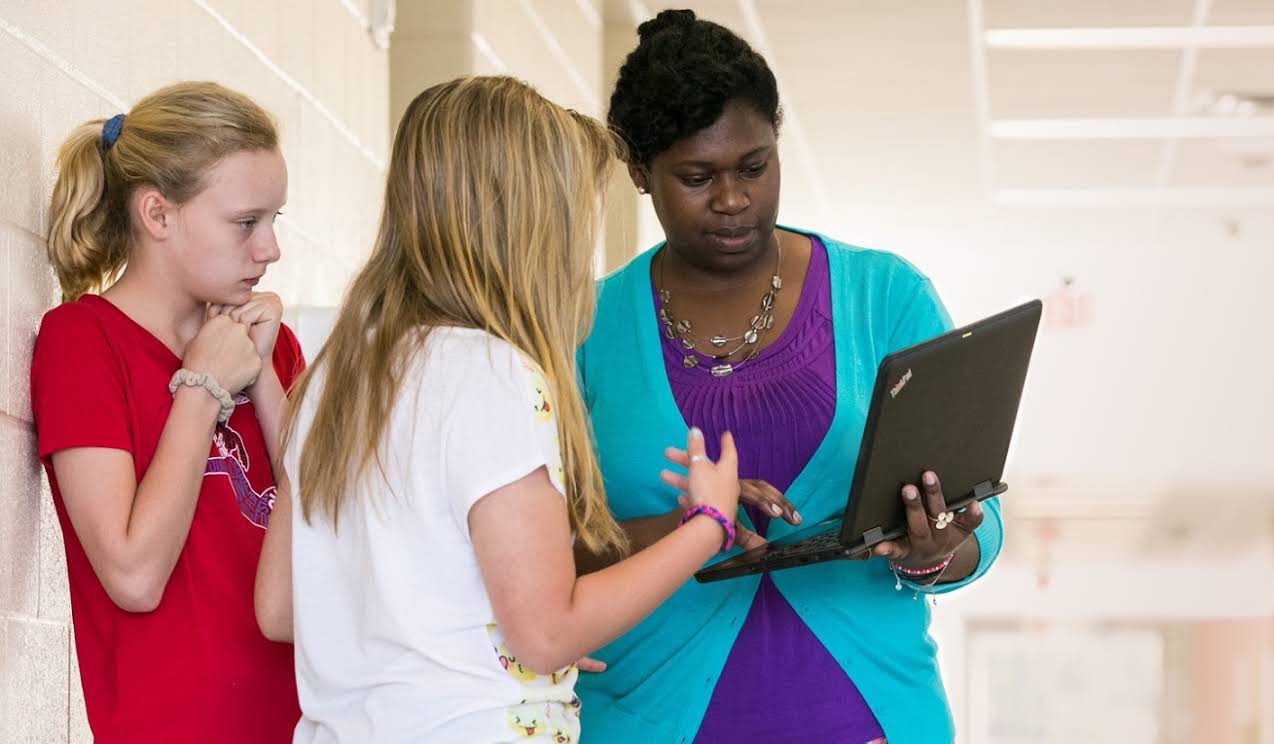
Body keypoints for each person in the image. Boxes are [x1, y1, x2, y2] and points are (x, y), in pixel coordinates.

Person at [253, 75, 743, 744]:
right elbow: (546, 633)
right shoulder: (490, 372)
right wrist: (707, 525)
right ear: (530, 230)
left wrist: (497, 648)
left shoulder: (332, 379)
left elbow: (281, 608)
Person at [573, 10, 1005, 743]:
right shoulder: (582, 327)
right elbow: (536, 555)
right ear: (640, 173)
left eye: (754, 166)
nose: (734, 199)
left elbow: (978, 517)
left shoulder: (884, 297)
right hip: (645, 710)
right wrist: (687, 530)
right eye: (697, 177)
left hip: (863, 710)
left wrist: (937, 550)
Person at [30, 81, 302, 742]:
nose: (269, 250)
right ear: (158, 215)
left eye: (274, 222)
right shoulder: (81, 341)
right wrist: (204, 387)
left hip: (309, 725)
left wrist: (261, 375)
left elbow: (330, 542)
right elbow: (134, 574)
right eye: (246, 223)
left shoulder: (274, 348)